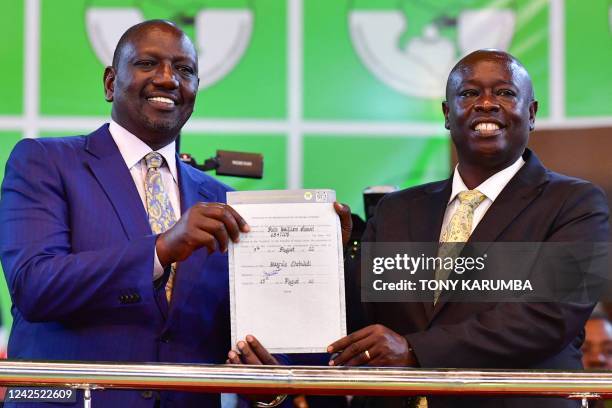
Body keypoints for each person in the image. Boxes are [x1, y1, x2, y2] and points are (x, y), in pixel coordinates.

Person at [0, 19, 351, 408]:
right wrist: (162, 248)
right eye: (148, 64)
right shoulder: (46, 162)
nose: (168, 79)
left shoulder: (225, 202)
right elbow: (35, 286)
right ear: (110, 82)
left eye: (185, 70)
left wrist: (323, 264)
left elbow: (257, 336)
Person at [321, 50, 609, 408]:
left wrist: (414, 350)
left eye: (505, 93)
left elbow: (548, 317)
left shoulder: (575, 203)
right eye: (469, 93)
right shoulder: (397, 210)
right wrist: (336, 255)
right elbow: (361, 317)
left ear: (532, 113)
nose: (486, 103)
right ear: (447, 114)